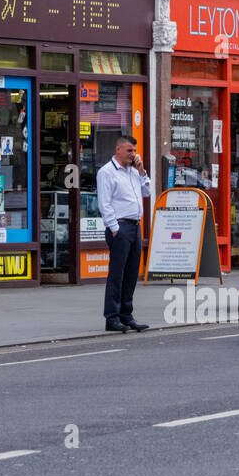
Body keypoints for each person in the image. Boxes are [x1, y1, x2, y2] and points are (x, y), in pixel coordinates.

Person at [96, 135, 151, 334]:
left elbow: (147, 193)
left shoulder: (134, 172)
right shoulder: (107, 172)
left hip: (135, 226)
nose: (133, 154)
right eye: (129, 151)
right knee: (117, 275)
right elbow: (104, 203)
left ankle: (126, 315)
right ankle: (112, 317)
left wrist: (142, 172)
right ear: (118, 150)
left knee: (131, 274)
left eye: (134, 151)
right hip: (120, 227)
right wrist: (114, 228)